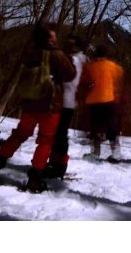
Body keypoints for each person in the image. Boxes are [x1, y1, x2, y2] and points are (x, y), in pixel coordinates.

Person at [0, 23, 76, 193]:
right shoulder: (57, 54)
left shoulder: (31, 53)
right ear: (49, 38)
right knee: (45, 140)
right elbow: (70, 74)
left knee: (19, 135)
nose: (55, 37)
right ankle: (35, 178)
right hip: (50, 106)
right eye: (53, 35)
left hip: (30, 104)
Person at [45, 34, 88, 179]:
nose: (69, 46)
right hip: (69, 101)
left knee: (59, 134)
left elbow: (70, 80)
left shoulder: (74, 59)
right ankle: (57, 163)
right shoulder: (84, 60)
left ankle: (58, 165)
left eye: (71, 44)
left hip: (64, 101)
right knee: (60, 134)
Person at [78, 43, 124, 161]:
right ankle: (116, 153)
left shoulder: (90, 66)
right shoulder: (112, 66)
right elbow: (120, 73)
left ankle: (95, 153)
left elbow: (84, 80)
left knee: (95, 127)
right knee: (111, 127)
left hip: (94, 101)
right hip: (109, 99)